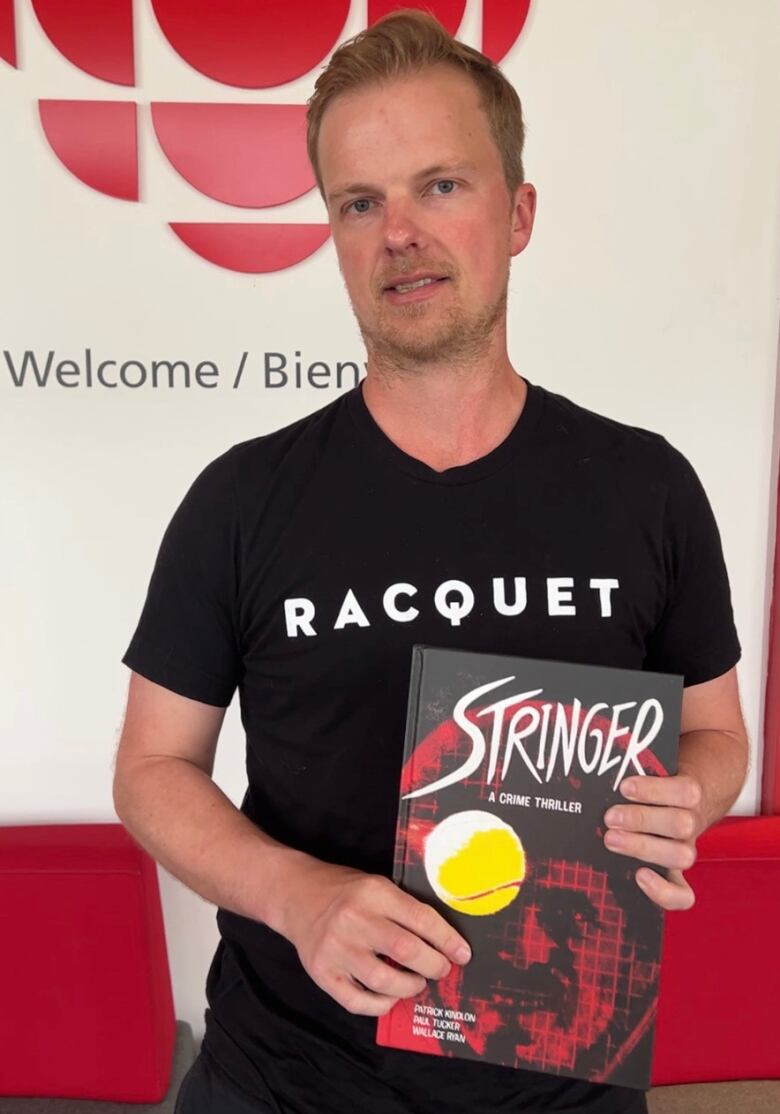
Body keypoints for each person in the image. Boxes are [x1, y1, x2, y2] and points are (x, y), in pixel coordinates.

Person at [113, 11, 749, 1114]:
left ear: (519, 213)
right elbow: (150, 768)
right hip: (290, 1082)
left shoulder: (647, 487)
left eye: (441, 185)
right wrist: (299, 896)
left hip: (568, 1076)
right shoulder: (244, 498)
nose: (398, 231)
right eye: (361, 202)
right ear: (335, 233)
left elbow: (719, 732)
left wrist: (689, 798)